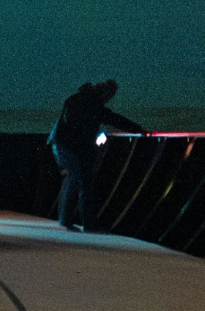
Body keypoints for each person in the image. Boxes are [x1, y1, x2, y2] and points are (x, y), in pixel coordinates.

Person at [48, 79, 146, 231]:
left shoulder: (78, 100)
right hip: (68, 146)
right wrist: (138, 129)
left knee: (84, 183)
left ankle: (79, 222)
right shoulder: (89, 104)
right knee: (77, 179)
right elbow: (112, 118)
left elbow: (108, 118)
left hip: (75, 146)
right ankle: (71, 221)